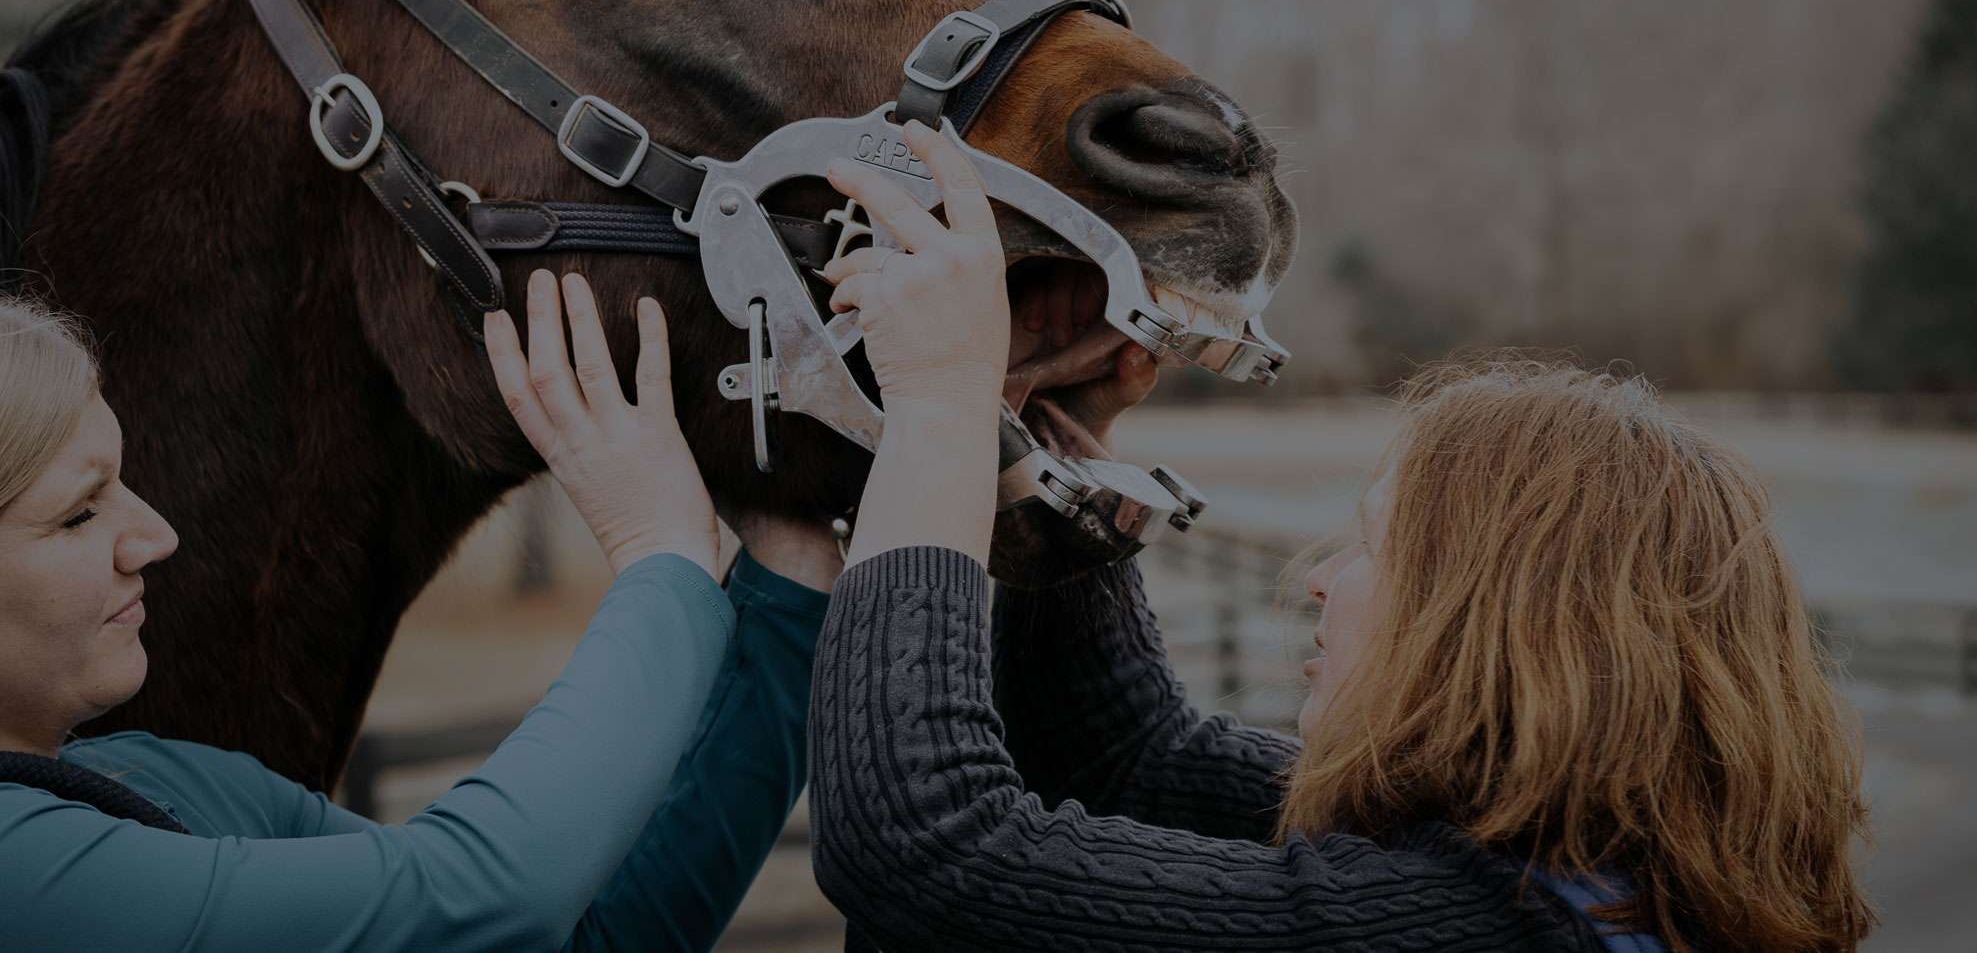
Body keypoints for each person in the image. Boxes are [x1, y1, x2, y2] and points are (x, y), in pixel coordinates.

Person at [804, 118, 1875, 952]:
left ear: (1499, 627)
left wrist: (940, 406)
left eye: (1374, 550)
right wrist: (1069, 437)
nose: (1321, 585)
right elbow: (1125, 759)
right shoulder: (1589, 866)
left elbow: (928, 845)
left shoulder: (1468, 927)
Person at [0, 267, 839, 950]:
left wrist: (789, 592)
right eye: (80, 512)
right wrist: (660, 557)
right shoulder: (24, 874)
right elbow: (481, 896)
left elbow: (578, 939)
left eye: (124, 484)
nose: (155, 535)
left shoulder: (160, 779)